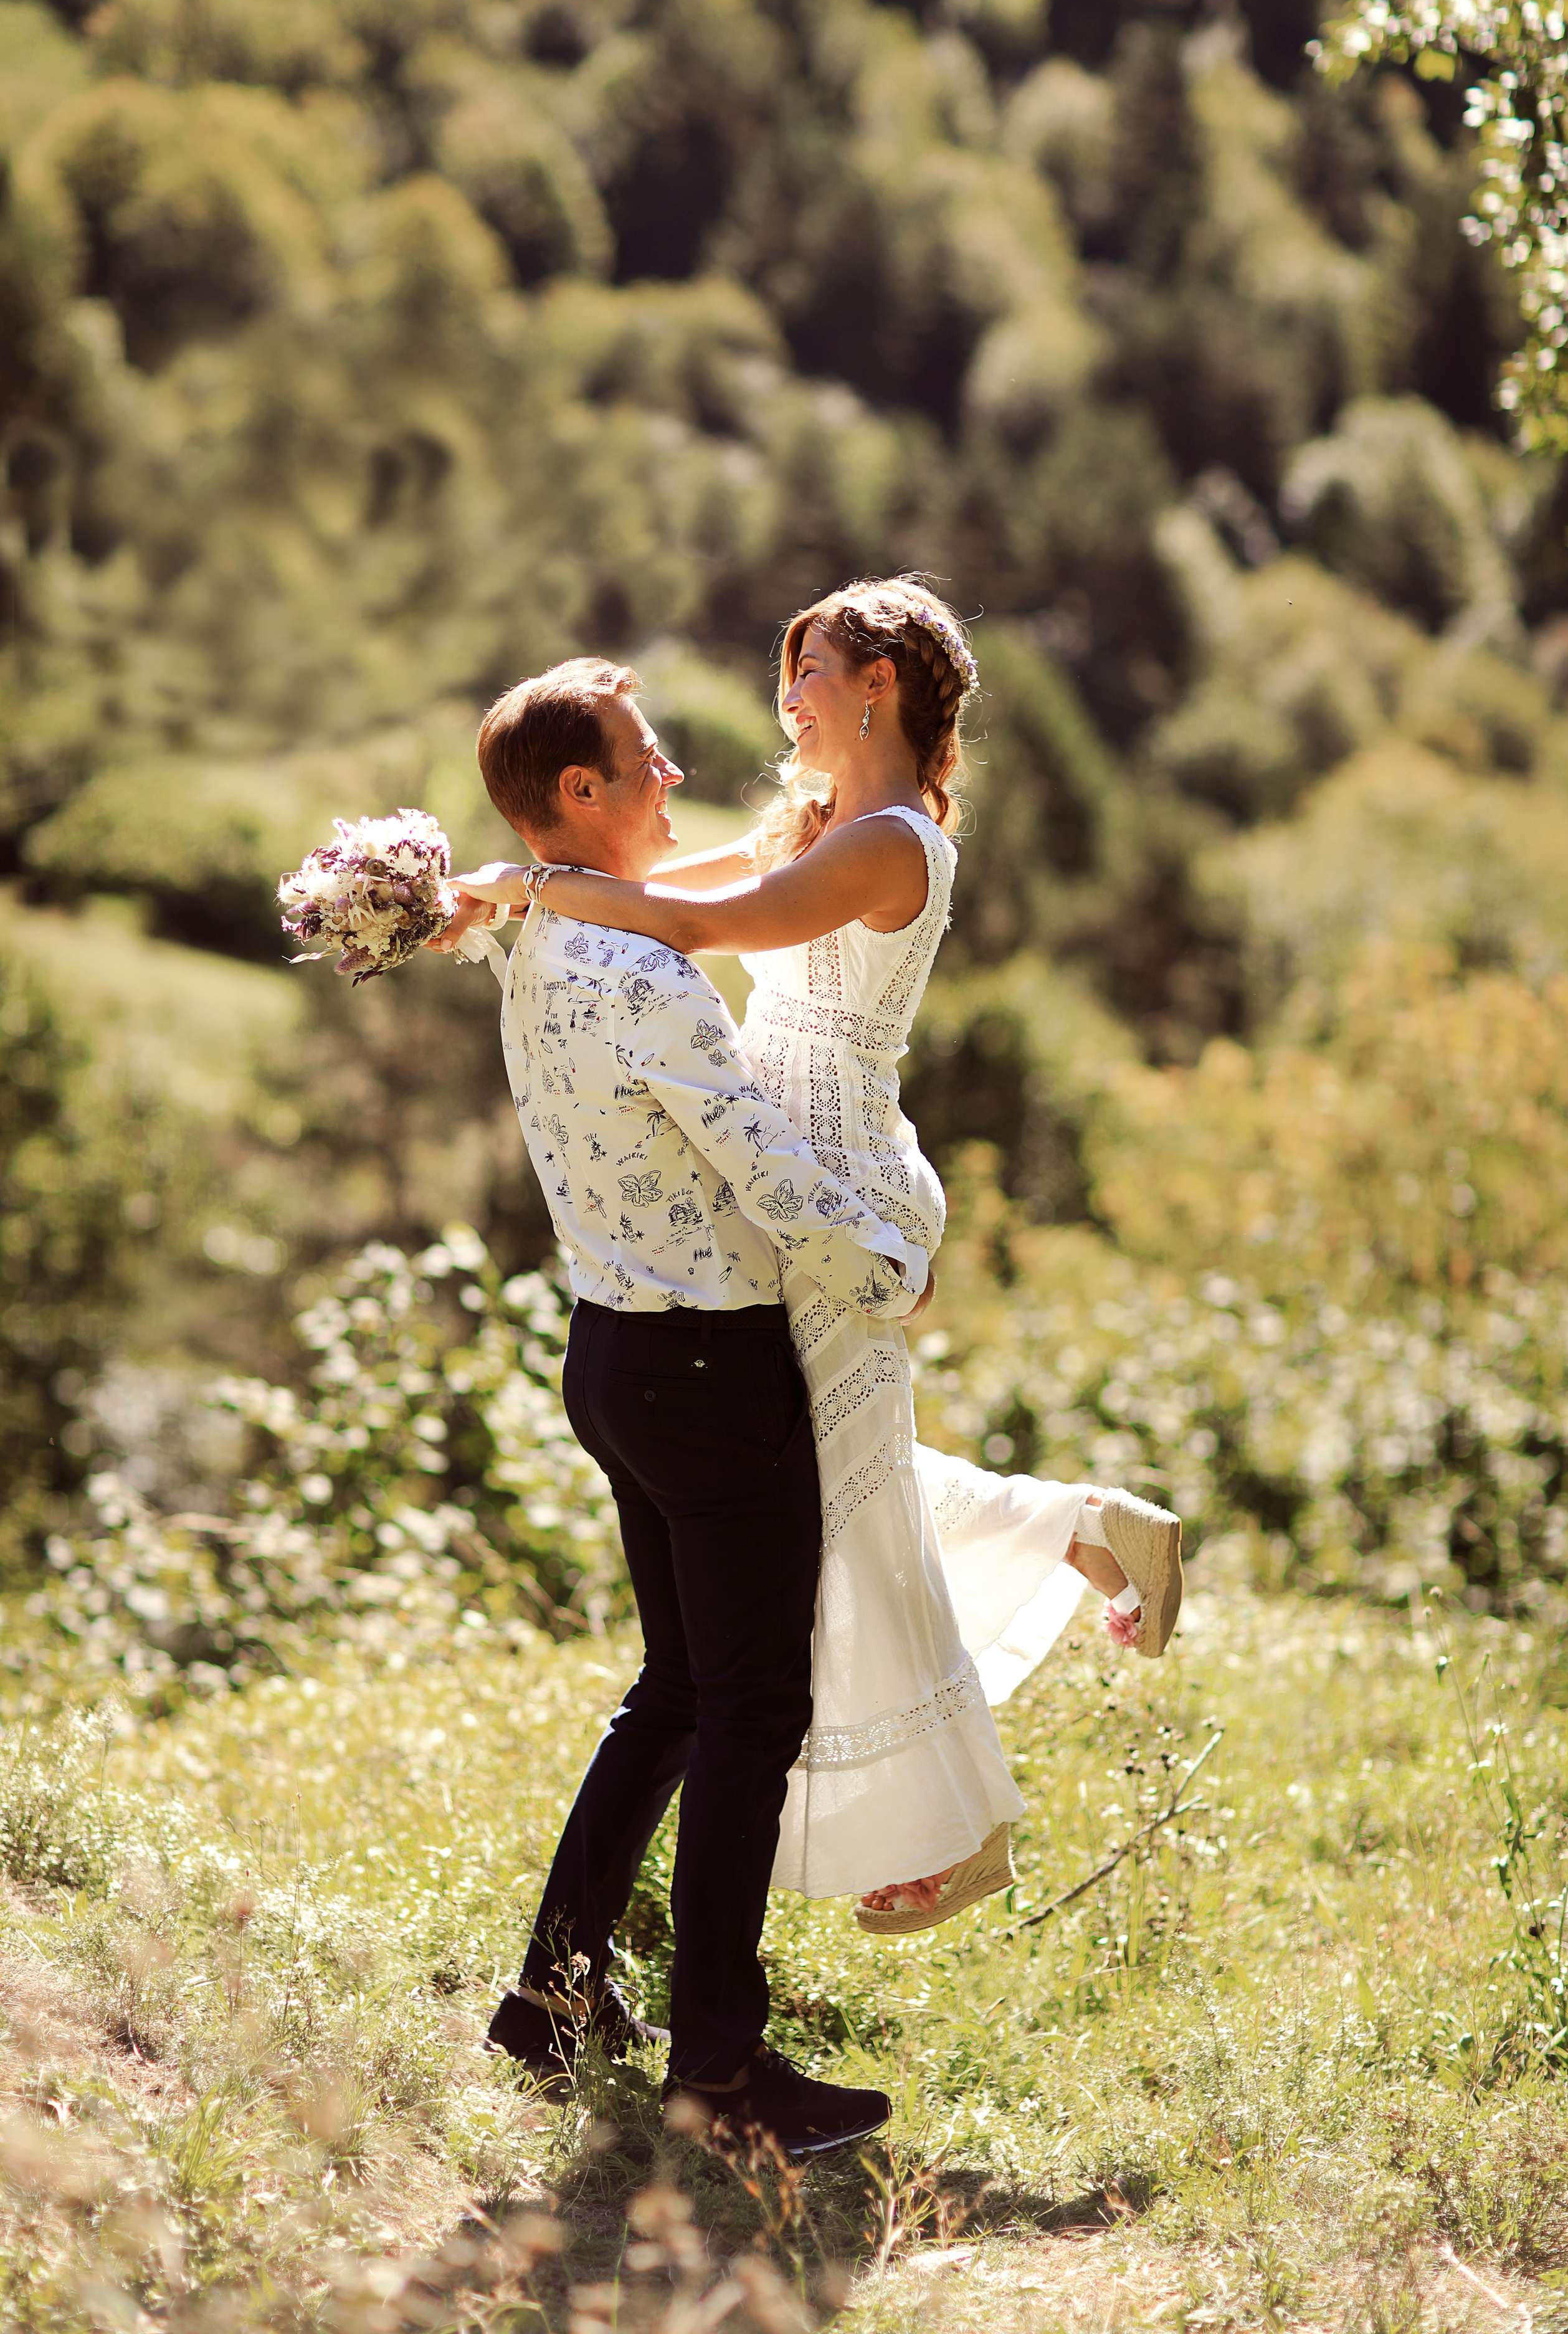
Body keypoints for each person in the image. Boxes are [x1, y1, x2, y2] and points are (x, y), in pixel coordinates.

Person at [447, 579, 1182, 1937]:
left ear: (879, 686)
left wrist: (531, 886)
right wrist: (506, 891)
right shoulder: (820, 821)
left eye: (808, 671)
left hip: (830, 1168)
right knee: (834, 1471)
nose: (784, 697)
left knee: (842, 1489)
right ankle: (1080, 1531)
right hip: (782, 1167)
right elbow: (669, 880)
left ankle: (953, 1822)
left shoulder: (891, 843)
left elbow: (698, 928)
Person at [447, 656, 948, 2158]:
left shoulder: (533, 949)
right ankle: (720, 2072)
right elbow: (758, 1163)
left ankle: (550, 2002)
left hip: (606, 1353)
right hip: (708, 1372)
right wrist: (880, 1262)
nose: (679, 775)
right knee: (749, 1713)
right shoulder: (642, 970)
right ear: (582, 794)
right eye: (649, 760)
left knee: (672, 1692)